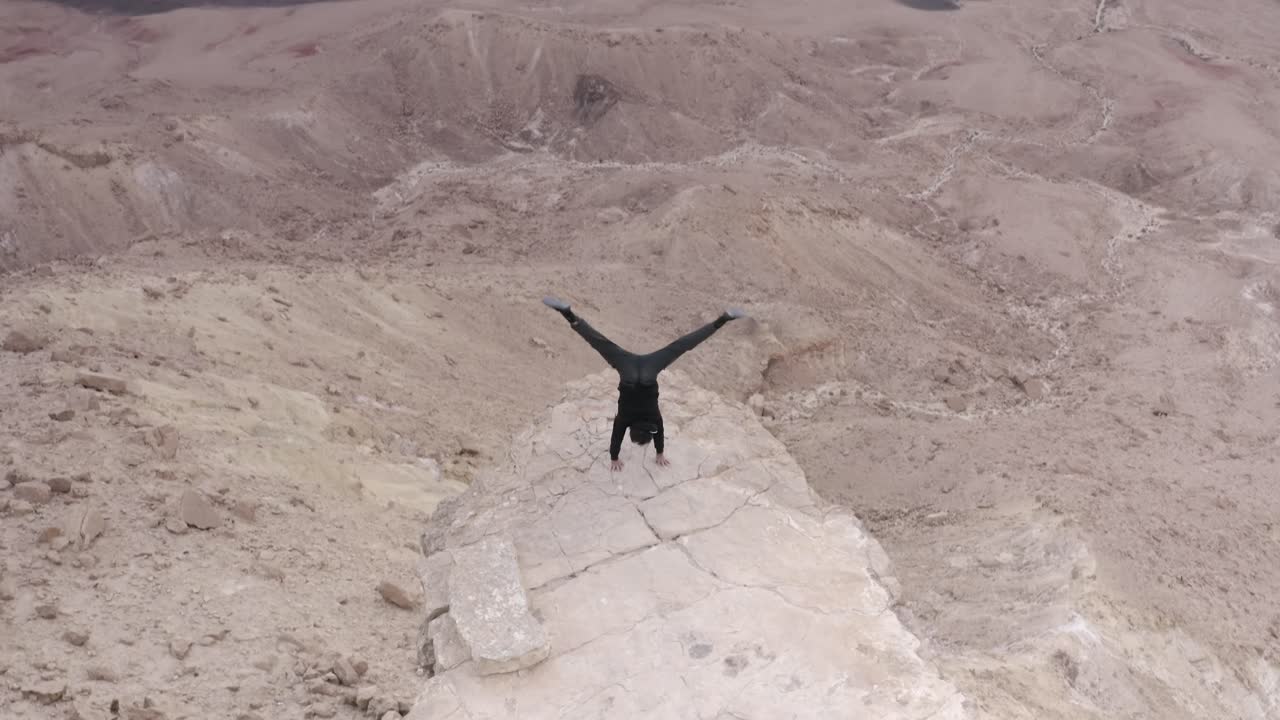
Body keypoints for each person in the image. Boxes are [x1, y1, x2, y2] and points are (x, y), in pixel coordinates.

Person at [543, 296, 744, 471]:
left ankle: (723, 319)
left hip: (649, 371)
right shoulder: (624, 419)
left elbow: (659, 432)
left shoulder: (654, 419)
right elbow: (616, 438)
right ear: (632, 429)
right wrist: (614, 457)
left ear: (648, 429)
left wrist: (660, 453)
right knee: (600, 343)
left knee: (681, 346)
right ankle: (569, 315)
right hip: (628, 371)